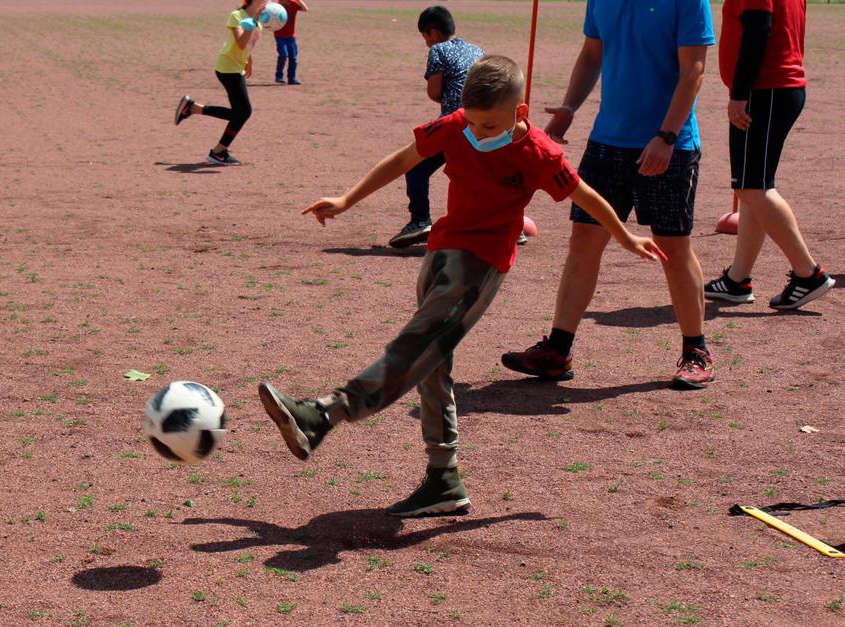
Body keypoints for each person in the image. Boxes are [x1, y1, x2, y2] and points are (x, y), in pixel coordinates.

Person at [258, 56, 664, 517]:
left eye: (490, 124)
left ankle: (325, 413)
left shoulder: (539, 153)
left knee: (415, 346)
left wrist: (626, 235)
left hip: (480, 264)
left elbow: (584, 194)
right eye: (473, 122)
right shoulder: (456, 126)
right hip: (442, 253)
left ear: (522, 112)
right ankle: (444, 480)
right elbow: (405, 158)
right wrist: (349, 198)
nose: (479, 132)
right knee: (432, 365)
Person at [501, 0, 718, 390]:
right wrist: (569, 107)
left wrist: (666, 137)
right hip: (607, 142)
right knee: (583, 240)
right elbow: (591, 53)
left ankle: (696, 351)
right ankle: (558, 350)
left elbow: (694, 72)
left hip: (670, 145)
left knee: (672, 246)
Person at [703, 0, 834, 309]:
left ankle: (808, 273)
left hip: (765, 91)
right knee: (753, 186)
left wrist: (739, 93)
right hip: (777, 89)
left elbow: (758, 30)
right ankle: (737, 280)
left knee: (752, 187)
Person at [390, 6, 485, 248]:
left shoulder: (438, 50)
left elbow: (434, 92)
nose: (425, 42)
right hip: (485, 124)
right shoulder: (476, 49)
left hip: (455, 125)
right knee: (487, 174)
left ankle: (420, 220)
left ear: (432, 33)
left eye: (424, 36)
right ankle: (511, 226)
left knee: (416, 168)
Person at [173, 0, 268, 166]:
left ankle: (193, 108)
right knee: (243, 112)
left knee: (241, 112)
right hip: (227, 68)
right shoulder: (237, 16)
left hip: (236, 67)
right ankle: (218, 151)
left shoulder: (256, 20)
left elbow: (248, 46)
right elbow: (240, 43)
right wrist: (253, 21)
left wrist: (249, 60)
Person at [273, 0, 308, 85]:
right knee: (283, 54)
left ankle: (292, 79)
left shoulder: (293, 3)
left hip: (291, 35)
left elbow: (305, 9)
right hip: (279, 34)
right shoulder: (277, 5)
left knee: (293, 57)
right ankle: (279, 76)